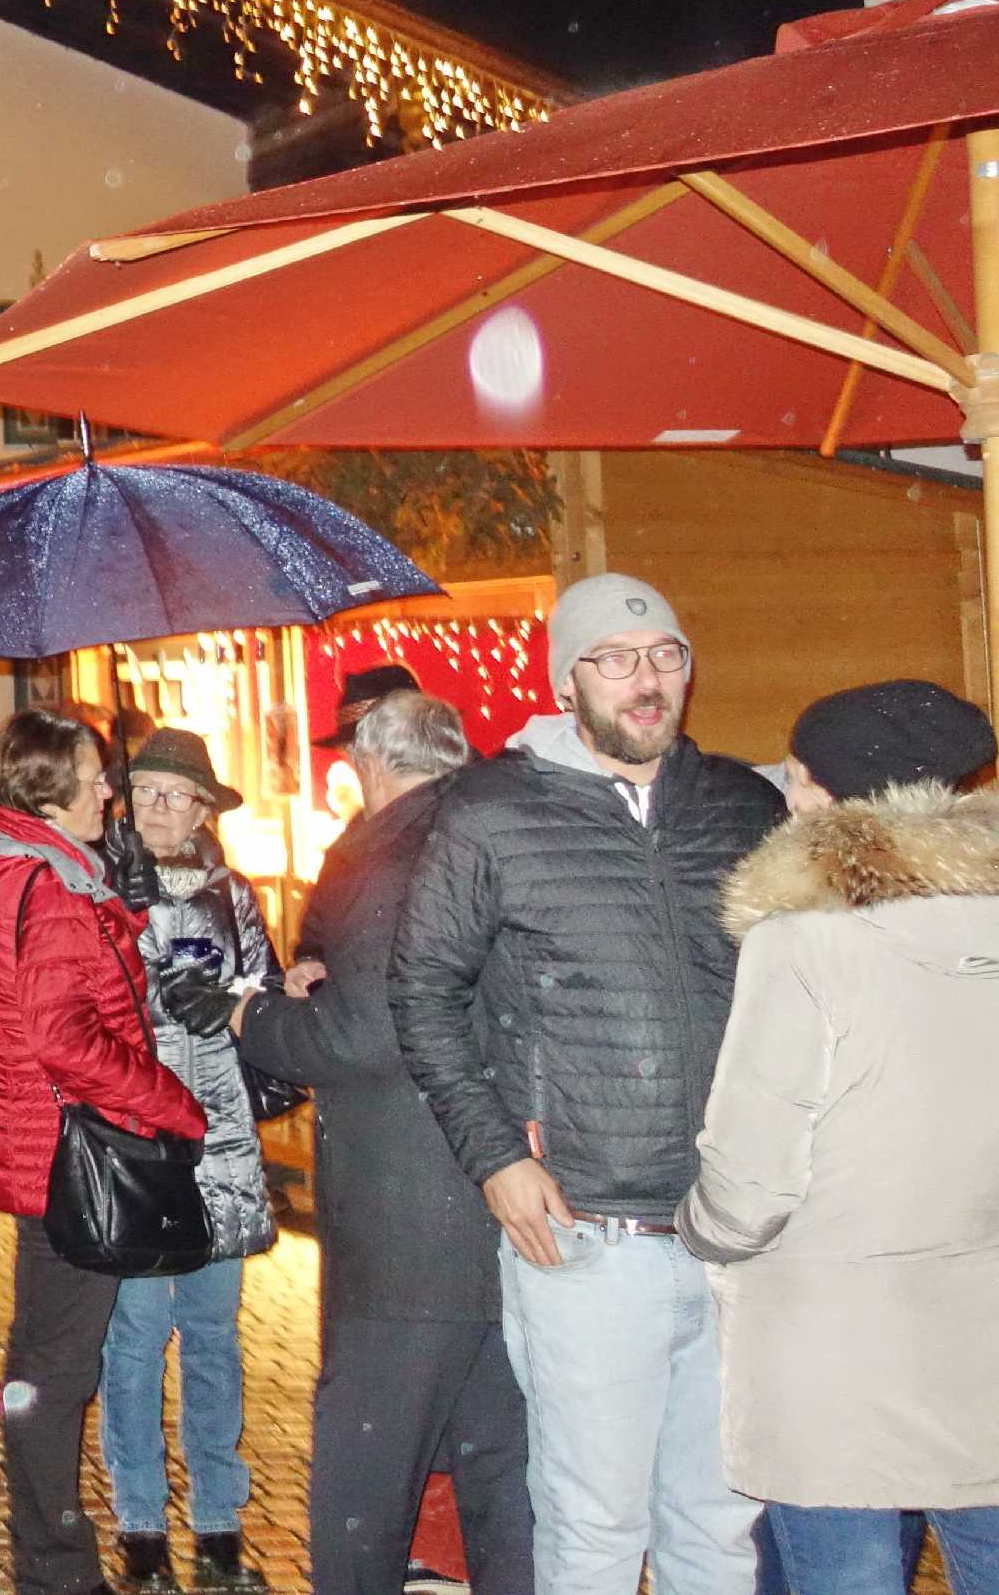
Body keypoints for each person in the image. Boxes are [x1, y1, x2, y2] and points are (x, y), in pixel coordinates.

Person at [392, 573, 785, 1595]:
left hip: (735, 1233)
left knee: (718, 1528)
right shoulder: (491, 811)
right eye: (614, 660)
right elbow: (423, 989)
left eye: (664, 656)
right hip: (586, 1239)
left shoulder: (745, 806)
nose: (645, 680)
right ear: (566, 680)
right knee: (594, 1529)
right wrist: (494, 1157)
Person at [681, 679, 999, 1595]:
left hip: (832, 1348)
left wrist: (699, 1228)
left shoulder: (805, 942)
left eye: (795, 775)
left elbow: (751, 1184)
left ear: (827, 792)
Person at [237, 690, 533, 1595]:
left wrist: (253, 1017)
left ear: (369, 760)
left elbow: (363, 1034)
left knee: (364, 1478)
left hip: (409, 1225)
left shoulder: (400, 854)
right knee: (503, 1475)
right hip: (498, 1217)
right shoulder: (493, 830)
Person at [0, 707, 209, 1595]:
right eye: (93, 778)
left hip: (34, 1141)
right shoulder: (45, 887)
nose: (108, 792)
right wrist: (174, 1104)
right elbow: (67, 1039)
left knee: (40, 1356)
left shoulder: (5, 865)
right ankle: (56, 1566)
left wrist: (116, 909)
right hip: (74, 1152)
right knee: (55, 1367)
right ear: (47, 794)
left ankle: (46, 1553)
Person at [96, 728, 279, 1595]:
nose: (161, 809)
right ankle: (140, 1519)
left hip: (220, 1142)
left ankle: (218, 1520)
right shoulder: (100, 889)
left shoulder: (232, 896)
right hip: (137, 1141)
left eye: (178, 795)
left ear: (205, 808)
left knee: (211, 1335)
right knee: (134, 1337)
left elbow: (261, 991)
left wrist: (238, 997)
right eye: (147, 792)